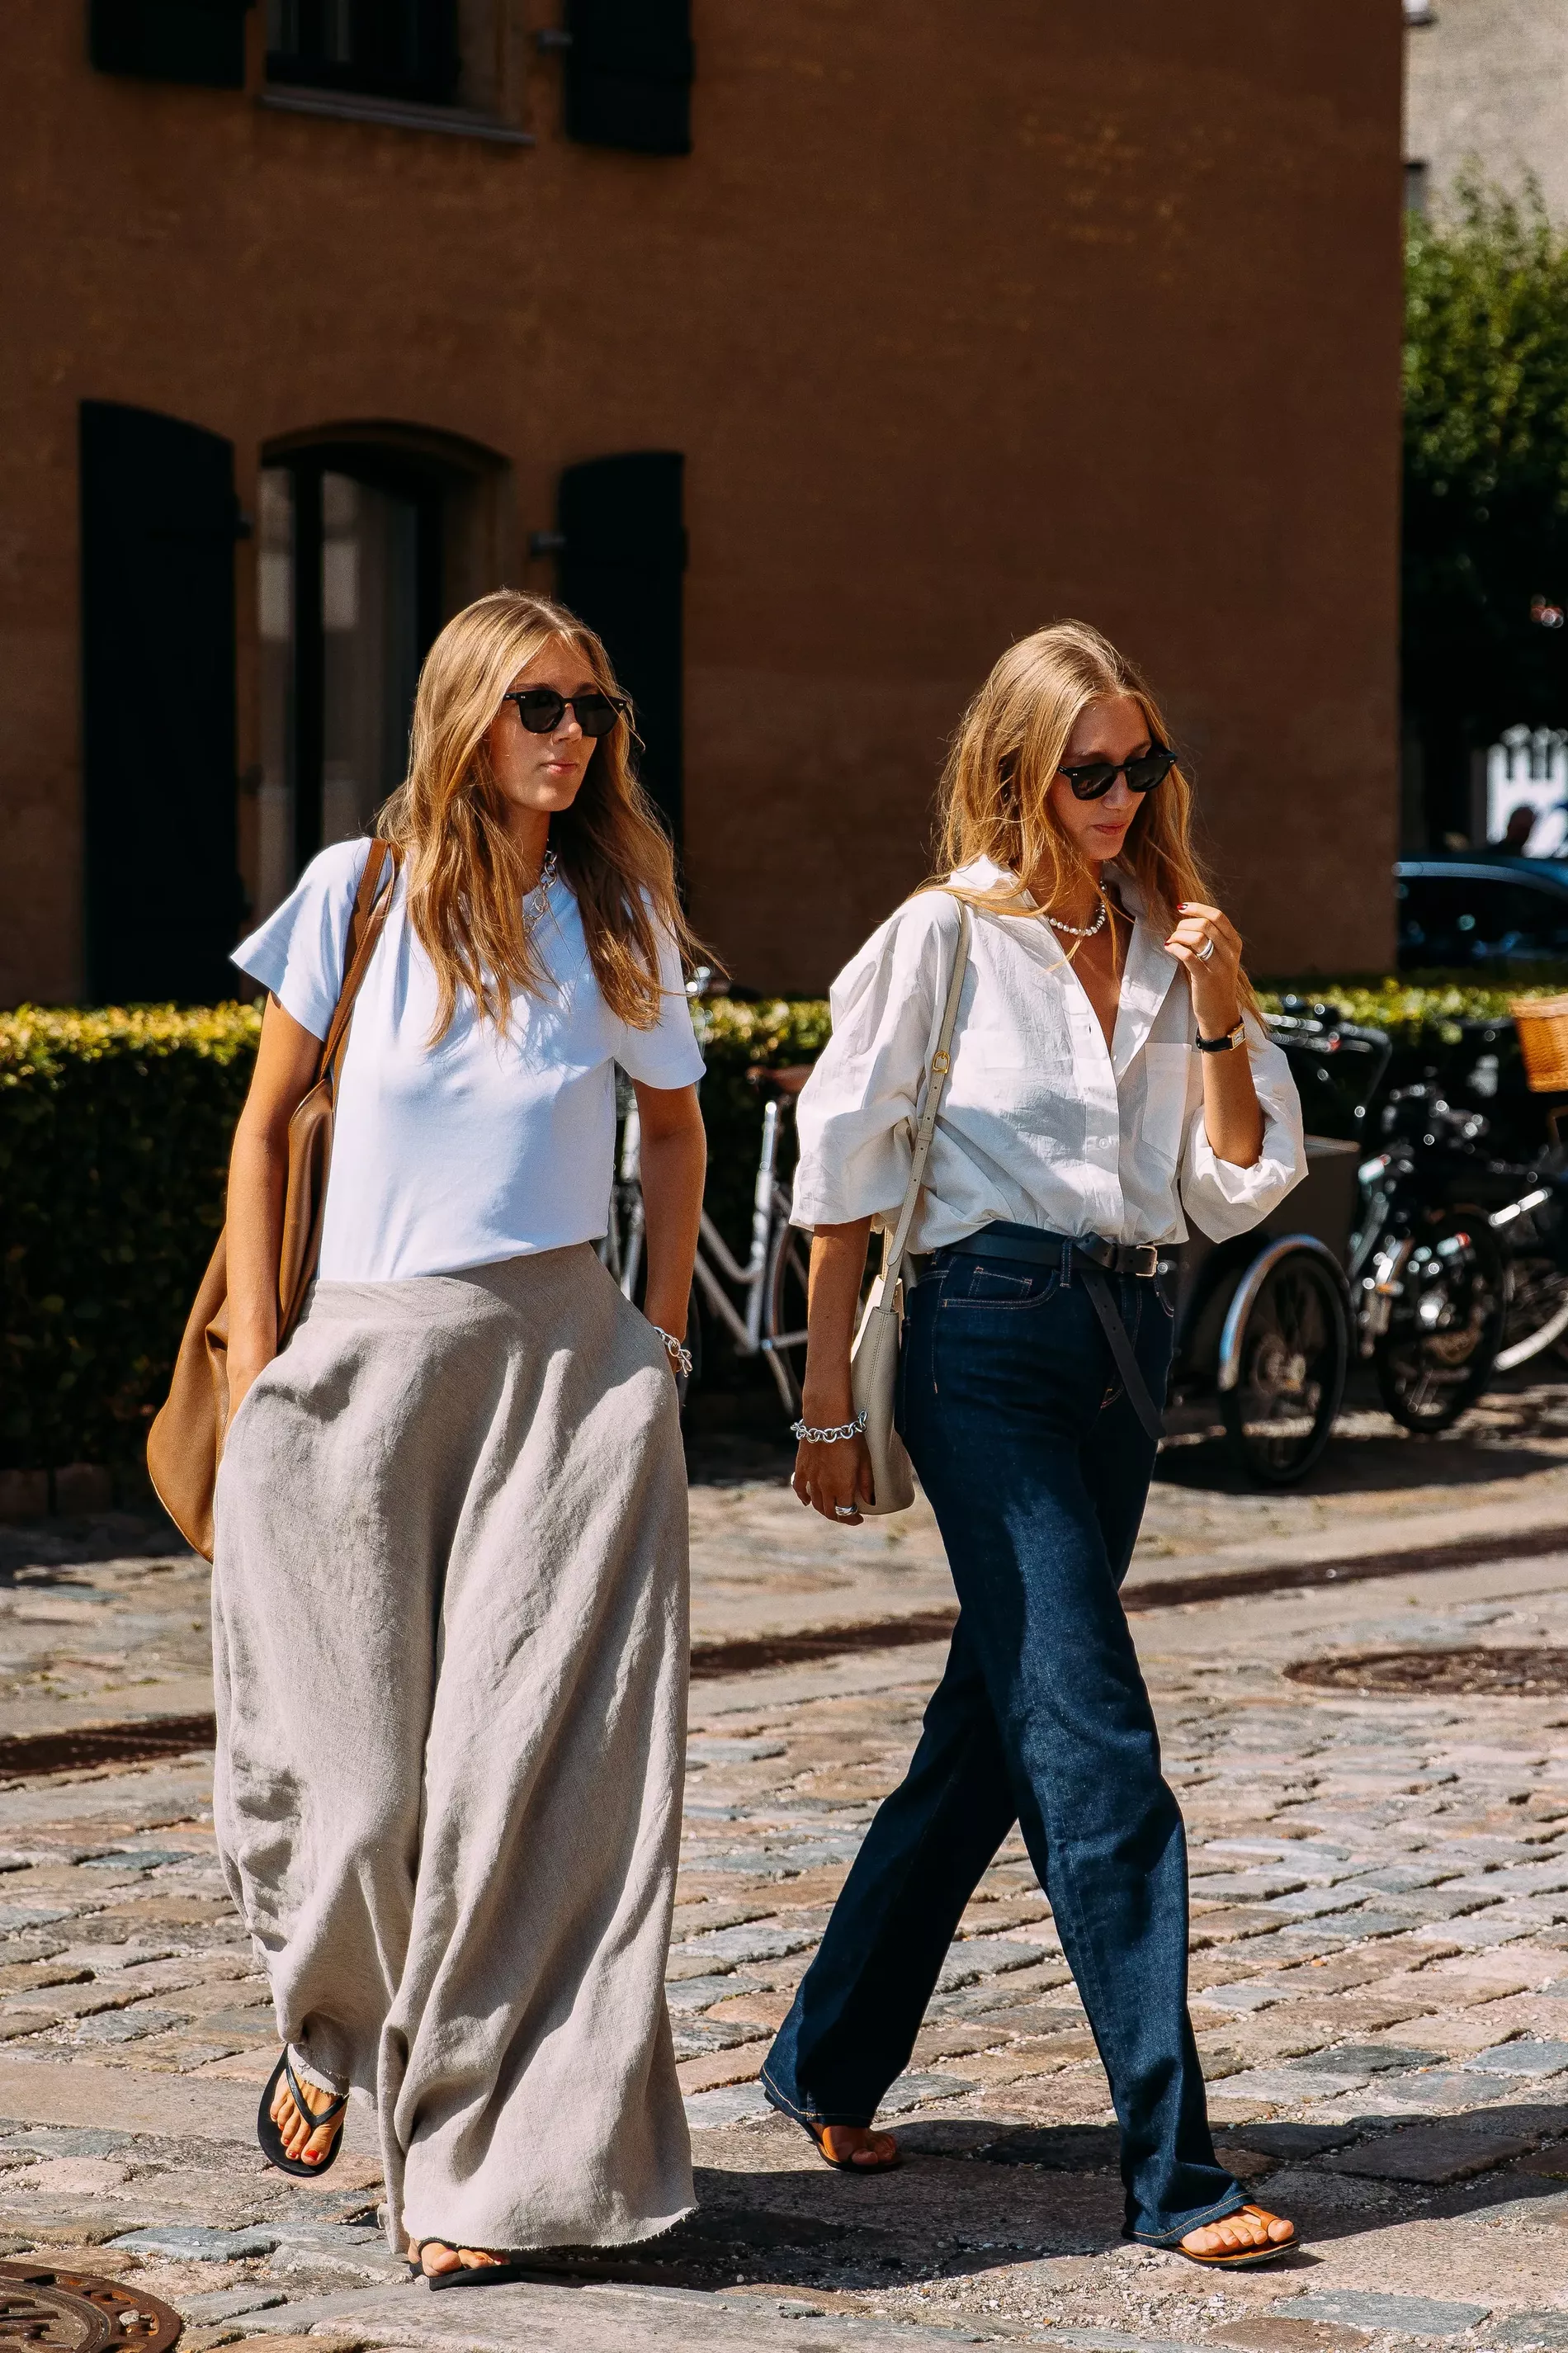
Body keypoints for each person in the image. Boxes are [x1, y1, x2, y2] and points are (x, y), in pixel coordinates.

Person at [763, 621, 1308, 2272]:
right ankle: (1176, 2172)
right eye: (1087, 770)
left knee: (991, 1734)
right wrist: (823, 1407)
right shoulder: (941, 938)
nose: (1119, 794)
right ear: (1012, 771)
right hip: (984, 1338)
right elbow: (841, 1173)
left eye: (1140, 765)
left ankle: (827, 2061)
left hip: (1123, 1348)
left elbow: (1236, 1181)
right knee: (1091, 1742)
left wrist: (1214, 1008)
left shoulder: (1168, 933)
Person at [212, 590, 707, 2282]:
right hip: (359, 1370)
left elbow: (674, 1132)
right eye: (538, 709)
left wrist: (656, 1337)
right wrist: (272, 1365)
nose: (571, 738)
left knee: (535, 1800)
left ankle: (488, 2180)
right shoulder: (354, 895)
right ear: (464, 719)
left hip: (566, 1379)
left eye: (589, 710)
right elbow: (268, 1130)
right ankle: (328, 2022)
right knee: (353, 1793)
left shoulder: (615, 911)